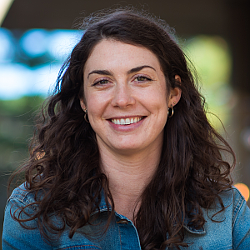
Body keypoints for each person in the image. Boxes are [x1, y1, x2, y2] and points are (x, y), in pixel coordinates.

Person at [2, 8, 250, 250]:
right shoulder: (34, 210)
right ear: (83, 102)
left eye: (141, 78)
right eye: (102, 82)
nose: (122, 99)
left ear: (173, 93)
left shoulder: (228, 214)